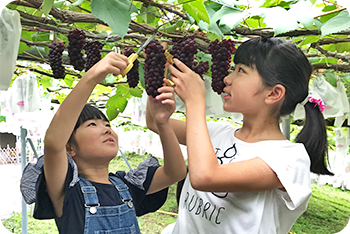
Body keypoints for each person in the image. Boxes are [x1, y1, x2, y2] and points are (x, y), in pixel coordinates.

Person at [146, 37, 333, 234]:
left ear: (273, 94)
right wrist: (159, 71)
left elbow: (204, 177)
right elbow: (155, 123)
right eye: (233, 69)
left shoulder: (289, 159)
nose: (227, 78)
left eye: (241, 70)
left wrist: (195, 101)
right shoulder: (217, 132)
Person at [32, 51, 187, 233]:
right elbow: (53, 142)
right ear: (70, 147)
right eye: (92, 124)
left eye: (107, 124)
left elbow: (175, 172)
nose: (106, 128)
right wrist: (92, 77)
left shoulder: (126, 185)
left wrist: (162, 122)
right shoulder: (68, 191)